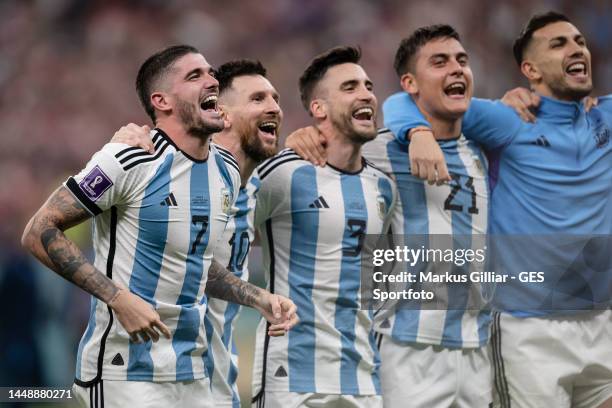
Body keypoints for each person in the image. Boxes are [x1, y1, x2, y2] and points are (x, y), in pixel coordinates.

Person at [21, 45, 297, 408]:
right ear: (162, 100)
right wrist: (117, 298)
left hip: (192, 371)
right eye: (194, 75)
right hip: (127, 369)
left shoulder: (226, 173)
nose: (211, 80)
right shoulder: (130, 158)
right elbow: (39, 231)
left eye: (211, 73)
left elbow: (193, 263)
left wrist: (257, 297)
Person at [383, 12, 612, 408]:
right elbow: (405, 100)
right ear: (530, 70)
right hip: (529, 330)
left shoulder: (605, 115)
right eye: (559, 44)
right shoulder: (507, 120)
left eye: (579, 41)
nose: (576, 49)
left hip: (602, 323)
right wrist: (418, 133)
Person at [286, 25, 492, 407]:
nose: (457, 69)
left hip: (477, 346)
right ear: (411, 83)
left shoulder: (479, 150)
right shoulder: (383, 149)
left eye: (462, 60)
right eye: (440, 61)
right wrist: (301, 138)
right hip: (407, 346)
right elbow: (336, 150)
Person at [112, 59, 283, 407]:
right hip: (153, 380)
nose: (275, 108)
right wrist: (125, 140)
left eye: (275, 98)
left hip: (218, 387)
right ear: (223, 112)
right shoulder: (162, 171)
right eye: (258, 98)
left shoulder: (256, 192)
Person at [251, 46, 396, 408]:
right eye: (350, 87)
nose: (366, 94)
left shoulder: (383, 188)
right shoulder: (282, 173)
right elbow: (226, 236)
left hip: (363, 377)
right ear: (319, 109)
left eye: (368, 86)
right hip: (294, 376)